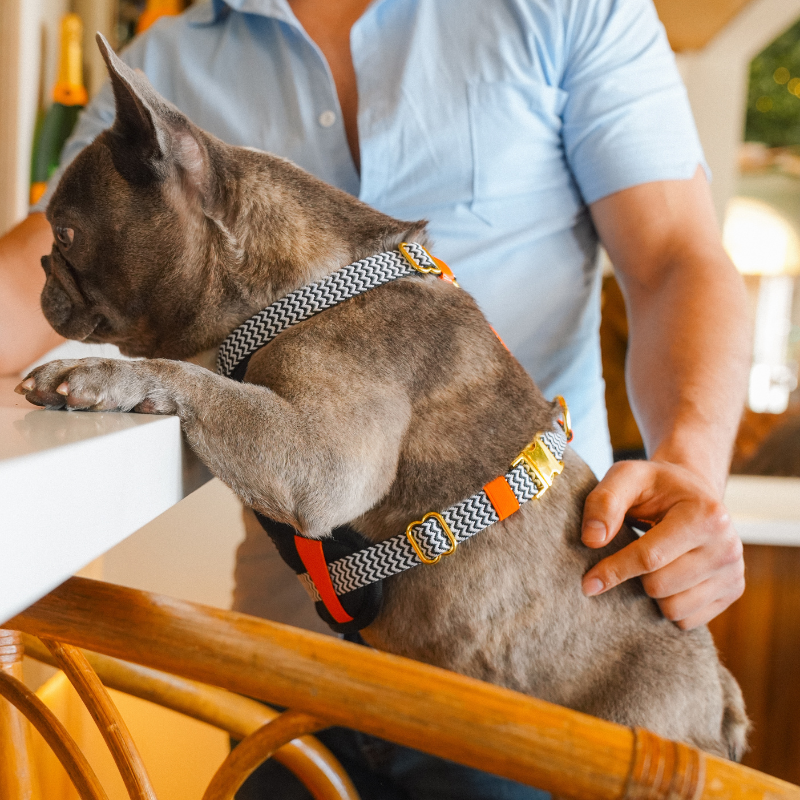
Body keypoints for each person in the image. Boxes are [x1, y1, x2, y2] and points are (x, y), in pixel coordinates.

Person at [0, 0, 749, 796]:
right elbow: (27, 281)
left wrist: (692, 466)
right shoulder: (177, 55)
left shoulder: (565, 10)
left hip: (546, 661)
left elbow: (677, 258)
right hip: (296, 656)